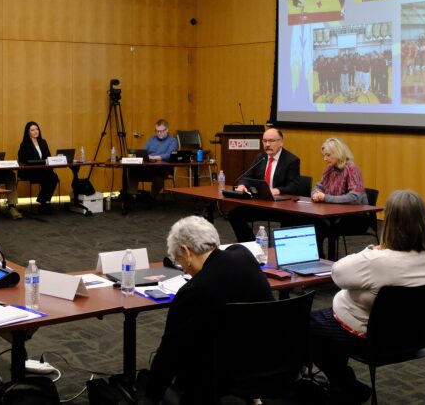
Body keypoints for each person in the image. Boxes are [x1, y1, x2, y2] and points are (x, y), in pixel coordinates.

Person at [309, 190, 425, 403]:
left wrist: (373, 249)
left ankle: (347, 386)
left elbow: (337, 273)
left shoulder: (378, 260)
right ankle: (341, 386)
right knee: (328, 327)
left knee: (310, 326)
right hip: (419, 334)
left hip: (377, 339)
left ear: (390, 222)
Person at [142, 216, 272, 403]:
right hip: (265, 363)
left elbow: (168, 356)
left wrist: (150, 397)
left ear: (187, 252)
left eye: (179, 261)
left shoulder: (193, 291)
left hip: (214, 381)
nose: (184, 270)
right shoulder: (243, 255)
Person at [226, 128, 304, 242]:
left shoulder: (291, 160)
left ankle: (284, 251)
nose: (267, 144)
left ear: (281, 142)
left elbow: (294, 186)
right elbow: (247, 176)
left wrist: (276, 190)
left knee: (291, 219)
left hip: (281, 207)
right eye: (265, 141)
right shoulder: (261, 157)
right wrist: (242, 185)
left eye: (271, 141)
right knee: (234, 215)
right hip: (261, 204)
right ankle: (251, 245)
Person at [126, 119, 179, 200]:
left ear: (167, 130)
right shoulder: (152, 139)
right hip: (149, 166)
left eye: (161, 131)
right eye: (157, 131)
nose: (159, 133)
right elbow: (144, 152)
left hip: (162, 168)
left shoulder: (173, 141)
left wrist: (153, 157)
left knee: (159, 177)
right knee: (132, 169)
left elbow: (169, 155)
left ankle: (151, 197)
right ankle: (132, 196)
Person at [17, 121, 59, 213]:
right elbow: (25, 161)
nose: (35, 131)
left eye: (37, 129)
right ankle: (44, 202)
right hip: (30, 171)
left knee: (53, 177)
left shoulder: (43, 142)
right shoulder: (24, 144)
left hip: (43, 171)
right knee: (49, 177)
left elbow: (48, 157)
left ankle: (43, 202)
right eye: (32, 130)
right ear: (28, 133)